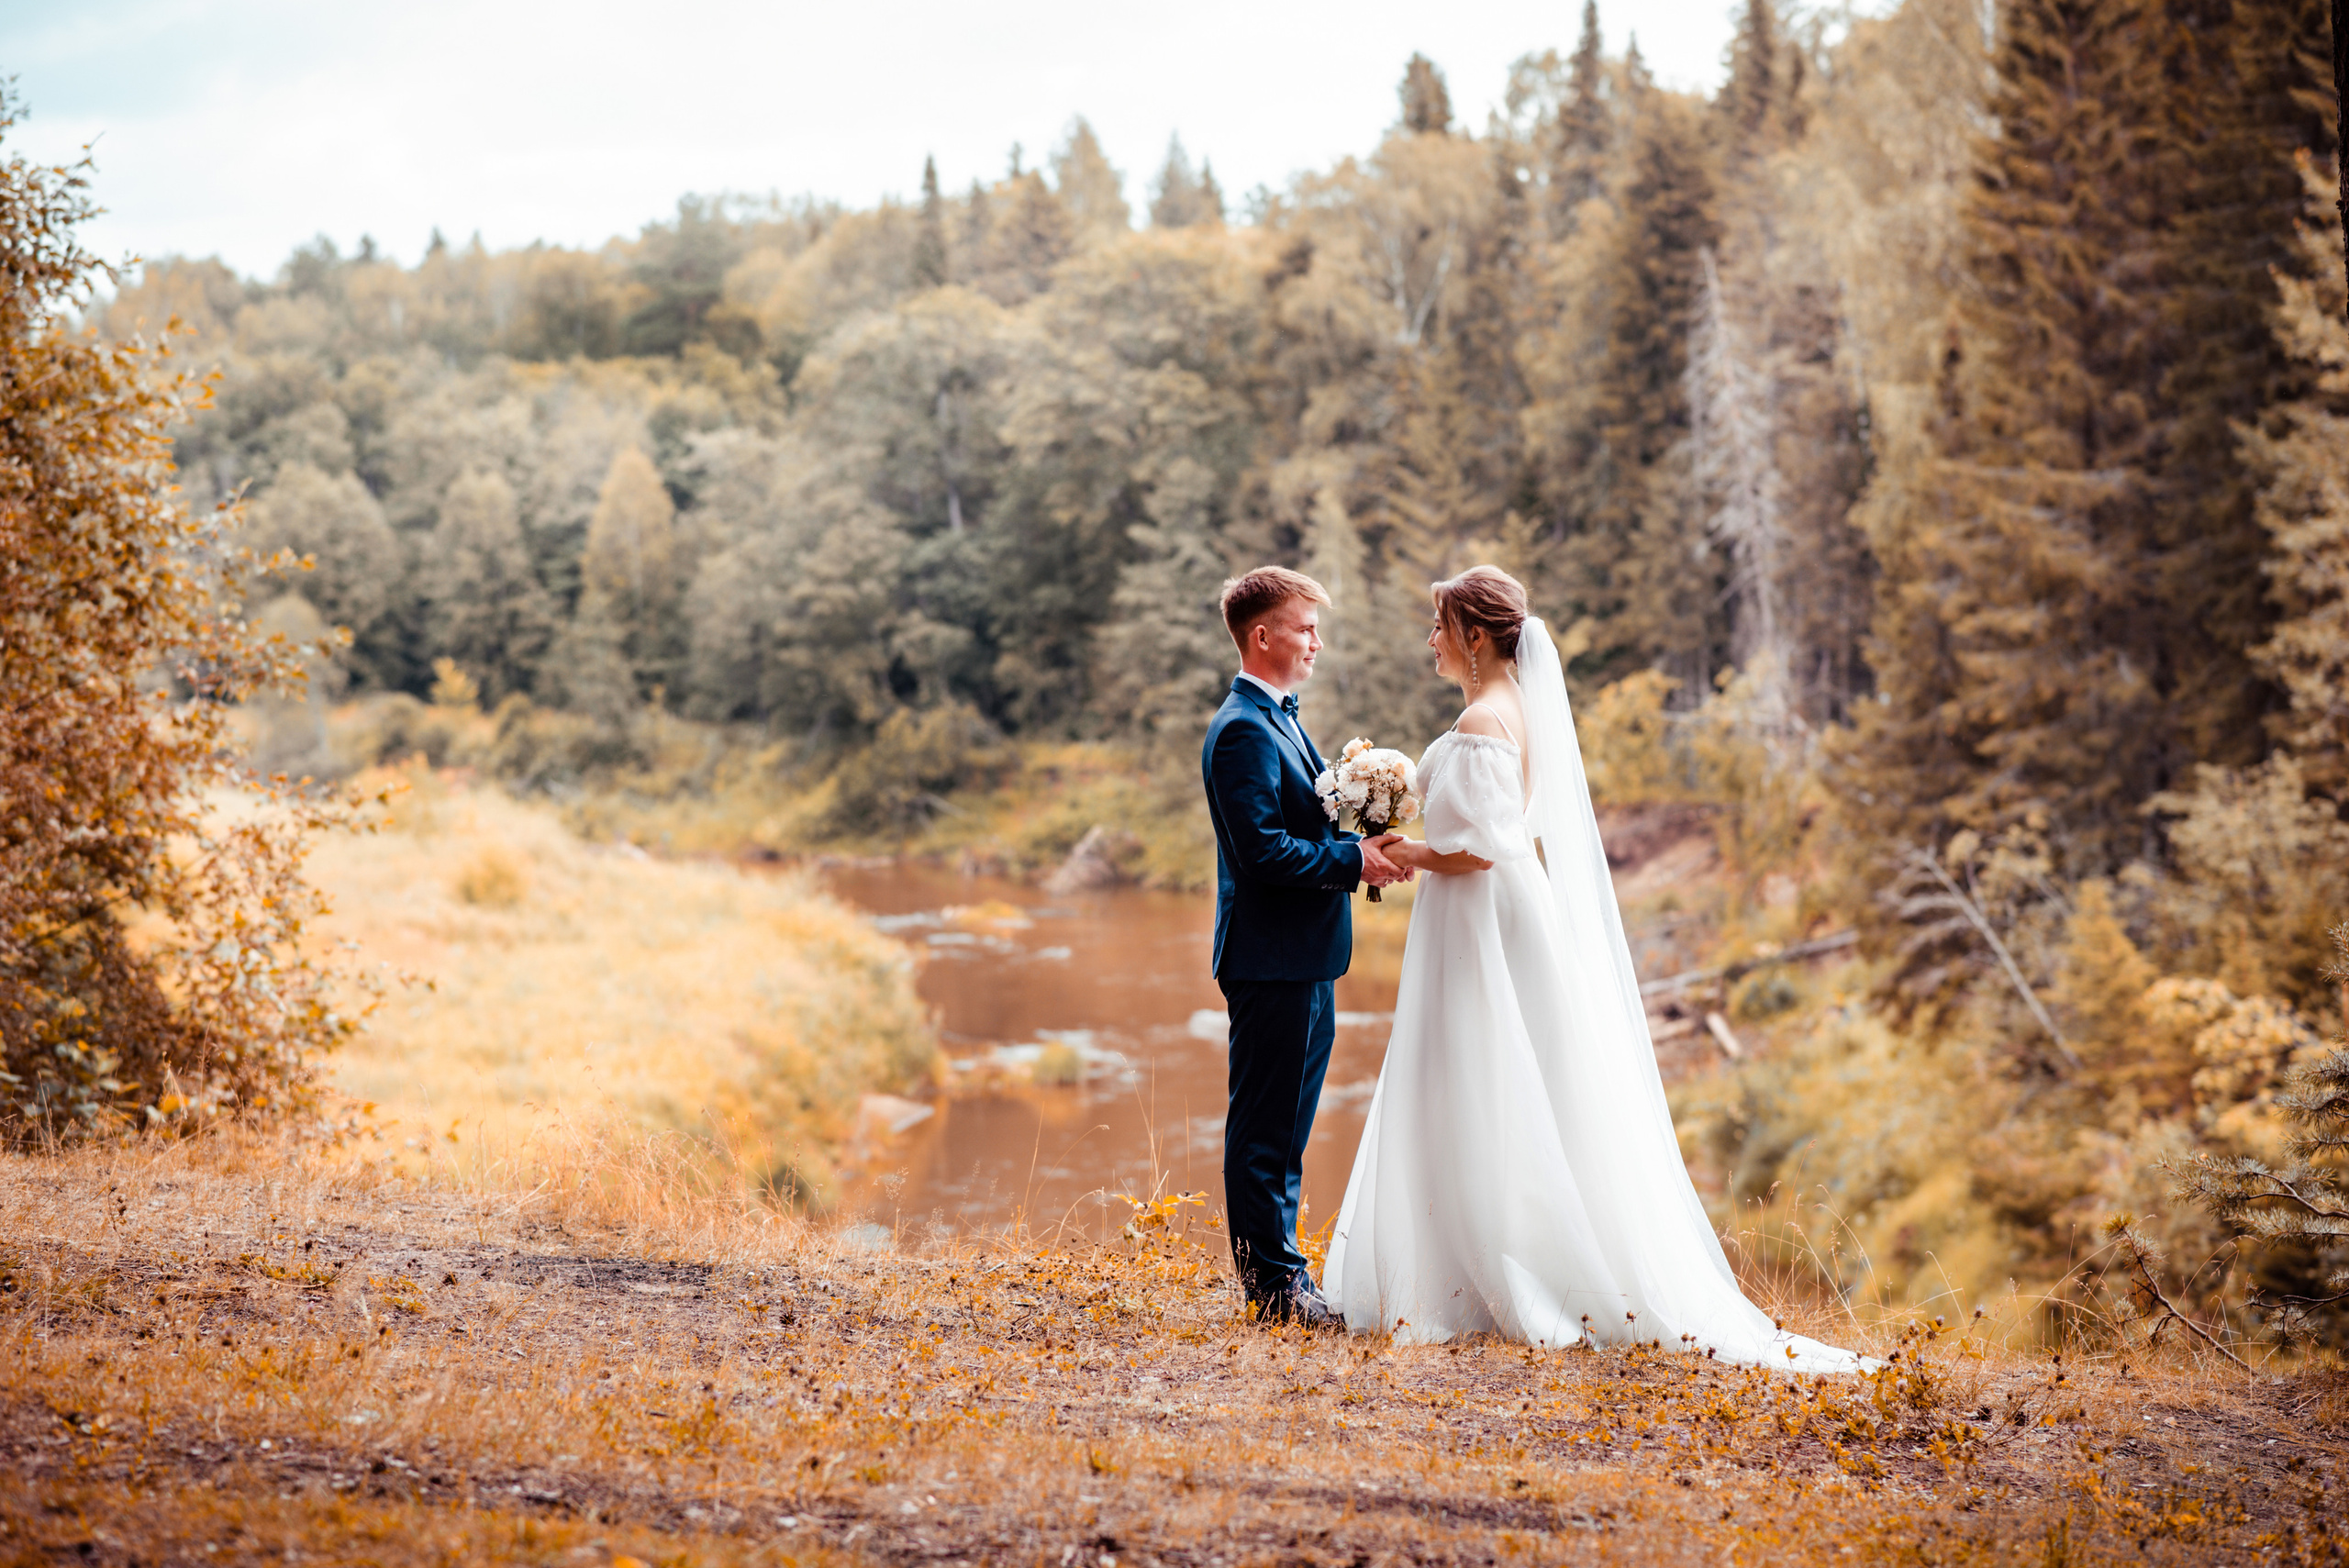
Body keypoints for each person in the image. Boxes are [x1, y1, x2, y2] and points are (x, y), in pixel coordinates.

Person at [1322, 565, 1869, 1371]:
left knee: (1473, 1074)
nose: (1430, 641)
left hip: (1479, 920)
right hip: (1511, 917)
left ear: (1476, 635)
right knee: (1512, 1080)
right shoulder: (1520, 711)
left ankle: (1473, 1274)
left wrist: (1407, 851)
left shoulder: (1480, 715)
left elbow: (1478, 849)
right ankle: (1490, 1255)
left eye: (1439, 626)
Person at [1200, 566, 1410, 1327]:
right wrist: (1354, 861)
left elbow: (1304, 825)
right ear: (1263, 636)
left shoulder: (1282, 718)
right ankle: (1274, 1291)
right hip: (1270, 958)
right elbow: (1263, 854)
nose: (1317, 640)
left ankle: (1285, 1273)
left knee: (1289, 1127)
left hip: (1305, 955)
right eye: (1305, 626)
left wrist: (1360, 837)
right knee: (1263, 1128)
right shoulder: (1240, 731)